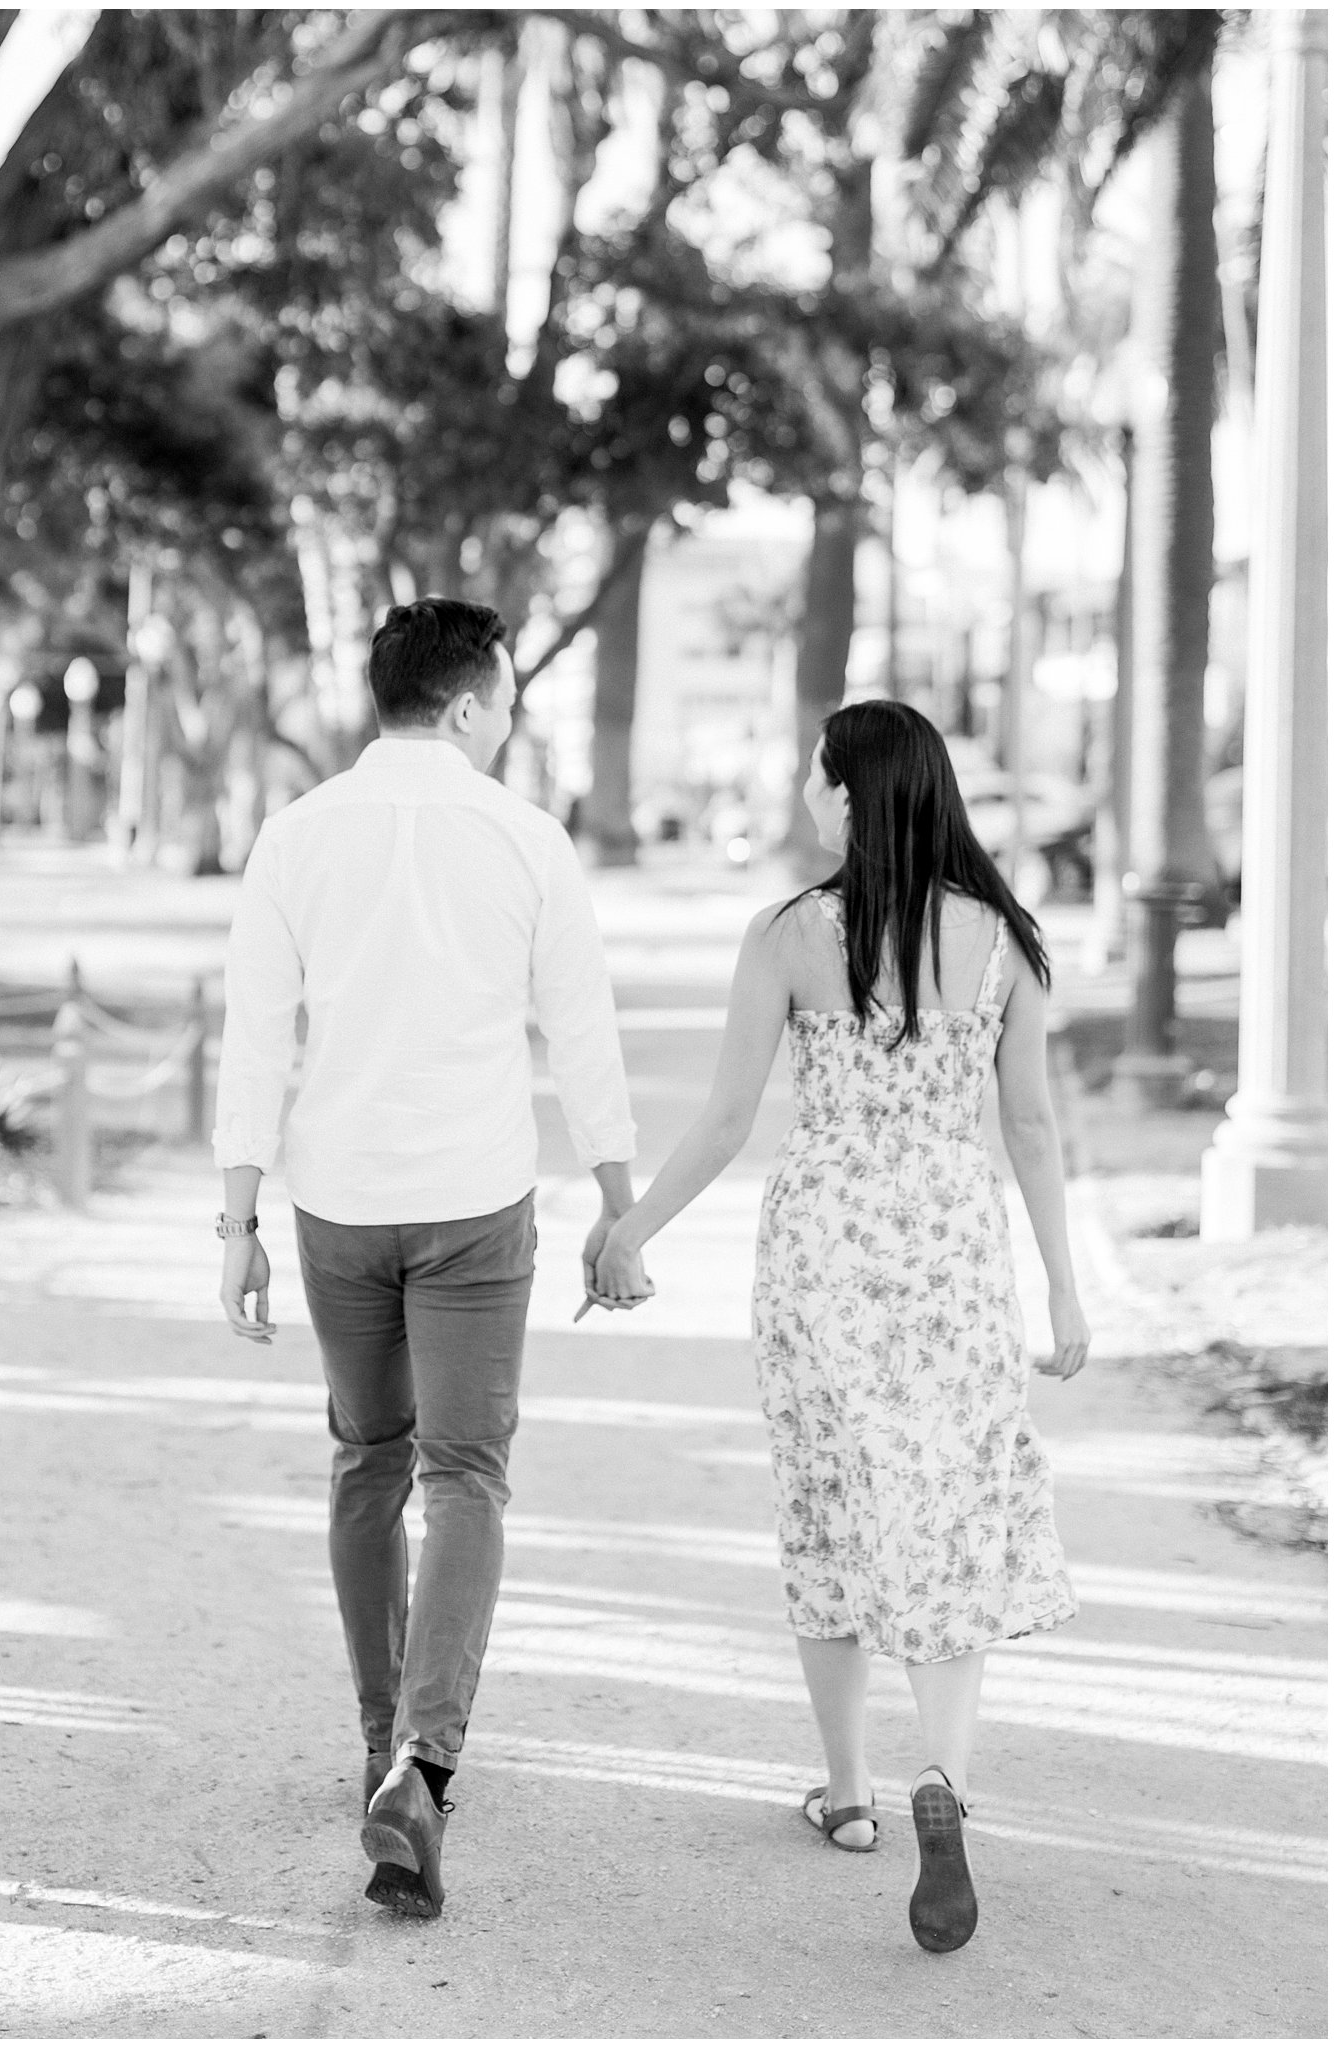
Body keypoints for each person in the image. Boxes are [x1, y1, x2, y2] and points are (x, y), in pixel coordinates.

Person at [593, 699, 1088, 1955]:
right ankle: (945, 1783)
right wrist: (1066, 1288)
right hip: (950, 1246)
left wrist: (629, 1230)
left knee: (827, 1499)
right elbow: (1029, 1130)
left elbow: (721, 1121)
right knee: (949, 1510)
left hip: (821, 1244)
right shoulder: (1008, 942)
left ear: (855, 796)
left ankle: (852, 1794)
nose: (808, 796)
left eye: (820, 779)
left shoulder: (791, 936)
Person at [212, 597, 648, 1919]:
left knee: (367, 1460)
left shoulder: (293, 838)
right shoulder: (523, 839)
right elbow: (581, 1030)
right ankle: (425, 1759)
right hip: (472, 1201)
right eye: (505, 698)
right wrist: (616, 1205)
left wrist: (234, 1223)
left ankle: (374, 1748)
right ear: (463, 706)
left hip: (337, 1204)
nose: (509, 719)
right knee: (464, 1477)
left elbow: (253, 1039)